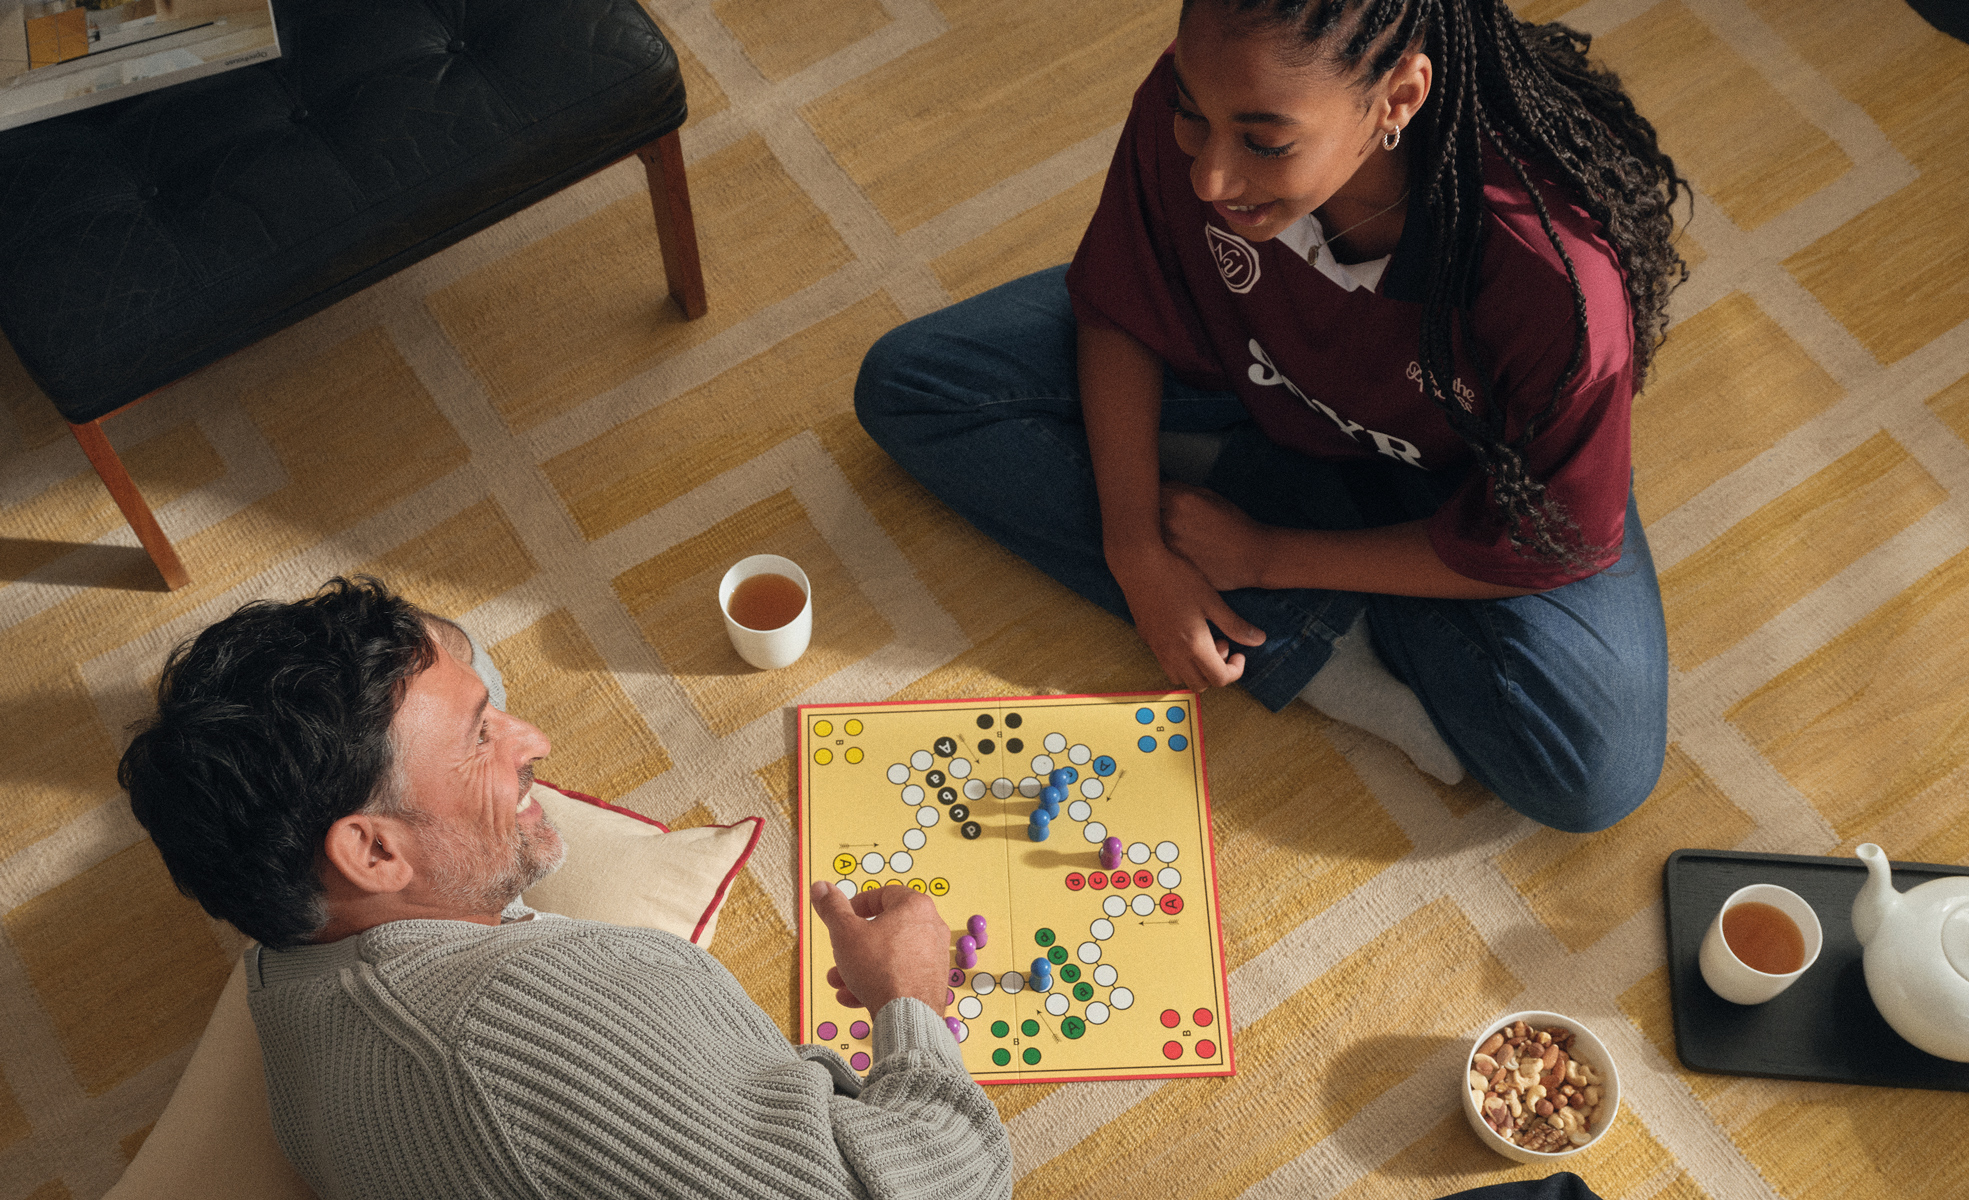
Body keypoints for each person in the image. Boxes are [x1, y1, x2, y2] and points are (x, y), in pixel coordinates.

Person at [855, 0, 1689, 833]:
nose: (1209, 180)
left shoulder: (1555, 283)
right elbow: (1120, 302)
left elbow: (1544, 540)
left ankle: (1285, 530)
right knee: (916, 384)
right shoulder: (1212, 103)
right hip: (1244, 364)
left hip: (1458, 481)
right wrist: (1137, 549)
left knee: (1591, 770)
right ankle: (1302, 603)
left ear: (1398, 99)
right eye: (1191, 117)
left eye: (1264, 143)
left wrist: (1268, 555)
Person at [118, 577, 1011, 1200]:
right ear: (372, 854)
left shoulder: (286, 986)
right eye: (479, 737)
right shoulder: (533, 1019)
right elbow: (948, 1184)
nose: (535, 738)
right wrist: (908, 1001)